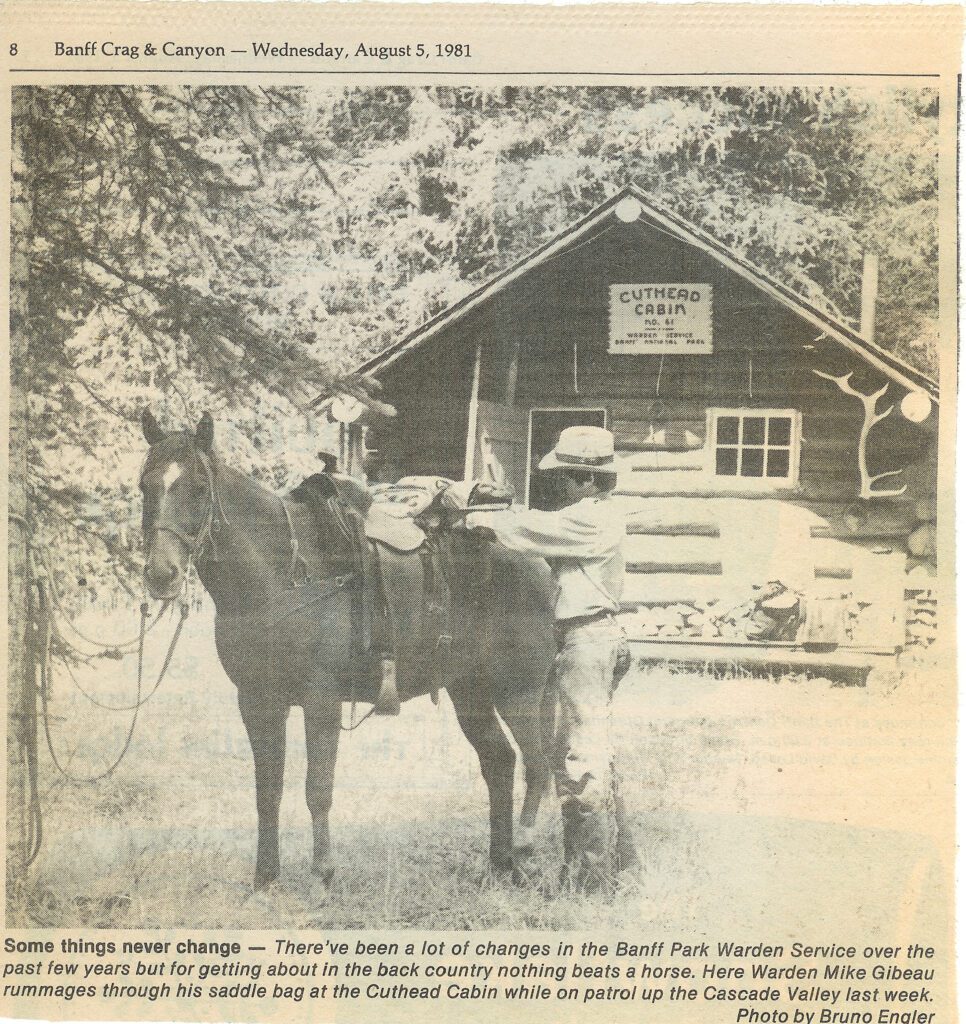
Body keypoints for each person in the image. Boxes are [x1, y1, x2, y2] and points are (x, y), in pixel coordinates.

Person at [463, 425, 636, 889]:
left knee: (580, 761)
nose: (559, 485)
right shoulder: (594, 514)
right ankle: (619, 863)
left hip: (587, 638)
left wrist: (471, 513)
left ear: (585, 480)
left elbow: (528, 527)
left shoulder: (589, 518)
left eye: (565, 476)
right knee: (590, 753)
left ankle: (590, 879)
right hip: (587, 638)